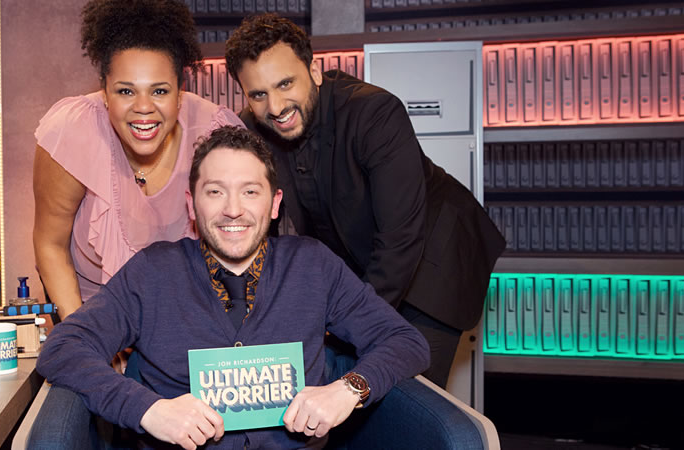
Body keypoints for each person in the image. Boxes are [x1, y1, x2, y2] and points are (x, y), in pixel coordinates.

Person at [36, 126, 430, 449]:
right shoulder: (152, 272)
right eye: (215, 191)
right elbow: (62, 349)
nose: (233, 209)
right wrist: (147, 409)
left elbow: (404, 341)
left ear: (274, 204)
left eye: (250, 191)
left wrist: (348, 389)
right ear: (192, 206)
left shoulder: (313, 265)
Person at [225, 14, 506, 388]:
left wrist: (346, 322)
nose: (275, 106)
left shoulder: (374, 113)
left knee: (407, 394)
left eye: (286, 83)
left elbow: (400, 238)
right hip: (364, 262)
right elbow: (264, 231)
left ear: (315, 70)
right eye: (258, 94)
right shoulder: (255, 128)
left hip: (434, 258)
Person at [32, 0, 242, 321]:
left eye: (159, 91)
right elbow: (51, 246)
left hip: (190, 319)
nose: (143, 108)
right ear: (104, 92)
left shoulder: (215, 136)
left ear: (179, 93)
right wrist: (86, 340)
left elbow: (239, 252)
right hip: (93, 313)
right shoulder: (73, 133)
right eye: (126, 92)